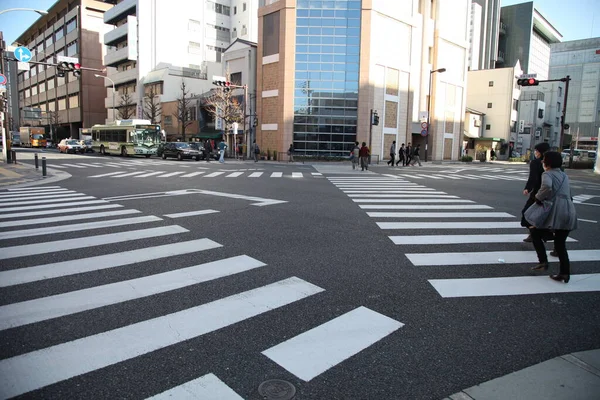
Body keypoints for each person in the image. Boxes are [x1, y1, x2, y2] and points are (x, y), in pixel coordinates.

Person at [526, 151, 577, 283]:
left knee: (535, 232)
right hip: (569, 210)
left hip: (556, 211)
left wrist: (538, 197)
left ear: (548, 162)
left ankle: (543, 261)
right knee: (560, 244)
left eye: (544, 159)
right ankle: (564, 273)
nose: (542, 161)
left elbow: (547, 187)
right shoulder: (564, 175)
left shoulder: (547, 174)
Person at [521, 142, 550, 242]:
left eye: (536, 151)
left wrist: (527, 189)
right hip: (552, 194)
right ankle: (534, 235)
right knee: (548, 216)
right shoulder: (553, 163)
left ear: (540, 152)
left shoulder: (536, 163)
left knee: (527, 213)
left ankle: (535, 234)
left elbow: (533, 178)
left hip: (538, 193)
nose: (535, 152)